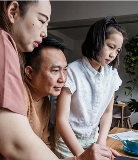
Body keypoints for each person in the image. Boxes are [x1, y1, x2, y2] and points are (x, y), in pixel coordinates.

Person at [0, 1, 119, 159]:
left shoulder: (45, 102)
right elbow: (15, 144)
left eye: (64, 70)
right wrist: (79, 157)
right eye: (42, 21)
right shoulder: (3, 42)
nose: (45, 33)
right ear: (13, 11)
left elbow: (44, 144)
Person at [55, 16, 127, 158]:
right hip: (68, 142)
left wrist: (101, 143)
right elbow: (61, 120)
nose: (113, 54)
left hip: (94, 139)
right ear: (97, 40)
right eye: (111, 47)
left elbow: (107, 113)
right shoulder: (73, 71)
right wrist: (81, 156)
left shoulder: (111, 74)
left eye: (117, 50)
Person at [23, 37, 68, 149]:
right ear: (30, 72)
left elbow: (44, 142)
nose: (62, 79)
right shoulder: (20, 97)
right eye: (55, 71)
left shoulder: (45, 99)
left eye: (65, 70)